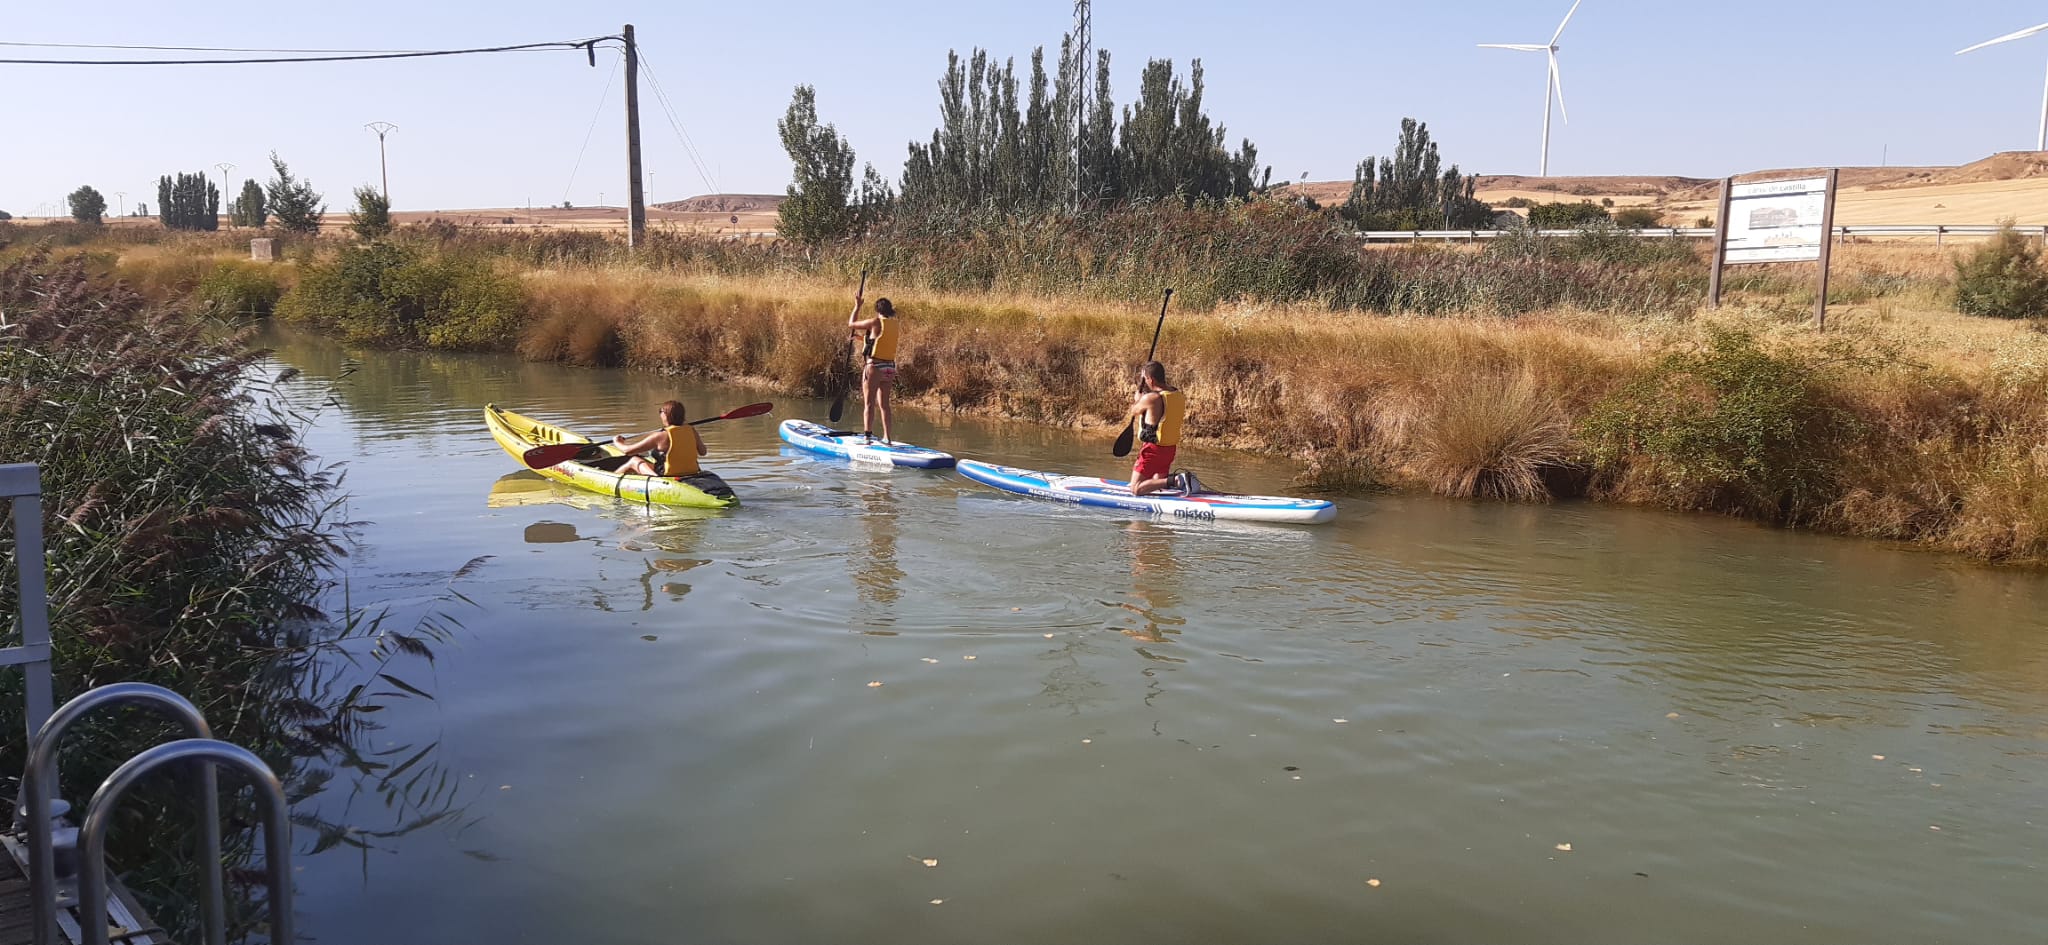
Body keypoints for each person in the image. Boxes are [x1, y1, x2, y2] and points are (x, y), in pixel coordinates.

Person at [1126, 360, 1199, 496]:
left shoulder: (1151, 398)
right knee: (1158, 483)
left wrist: (1138, 398)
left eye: (1146, 379)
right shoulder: (1176, 394)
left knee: (1136, 489)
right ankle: (1173, 481)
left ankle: (1177, 480)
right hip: (1170, 449)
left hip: (1153, 450)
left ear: (1150, 380)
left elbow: (1134, 411)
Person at [847, 291, 899, 444]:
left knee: (869, 403)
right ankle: (887, 438)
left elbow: (851, 324)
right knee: (884, 405)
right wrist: (862, 338)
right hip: (889, 368)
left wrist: (857, 306)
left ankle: (867, 437)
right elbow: (879, 340)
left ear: (878, 310)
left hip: (875, 367)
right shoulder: (893, 324)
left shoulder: (876, 321)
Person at [613, 400, 706, 477]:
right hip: (692, 472)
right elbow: (703, 452)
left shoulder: (660, 436)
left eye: (660, 411)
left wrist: (617, 442)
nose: (660, 414)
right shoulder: (691, 430)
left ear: (666, 415)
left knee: (634, 460)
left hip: (666, 475)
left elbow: (628, 451)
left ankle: (612, 479)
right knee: (651, 463)